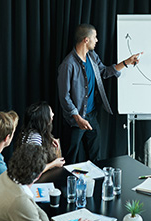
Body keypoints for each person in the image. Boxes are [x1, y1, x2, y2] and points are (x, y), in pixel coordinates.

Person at [57, 23, 141, 164]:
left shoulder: (92, 56)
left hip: (91, 116)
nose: (97, 40)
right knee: (69, 160)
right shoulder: (68, 64)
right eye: (94, 37)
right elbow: (65, 97)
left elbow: (104, 72)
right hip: (75, 121)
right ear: (86, 40)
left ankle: (96, 184)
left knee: (96, 158)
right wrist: (78, 119)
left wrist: (127, 62)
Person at [15, 101, 65, 173]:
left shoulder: (29, 132)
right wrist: (54, 164)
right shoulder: (35, 138)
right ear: (44, 118)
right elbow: (35, 170)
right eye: (50, 113)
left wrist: (49, 140)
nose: (53, 114)